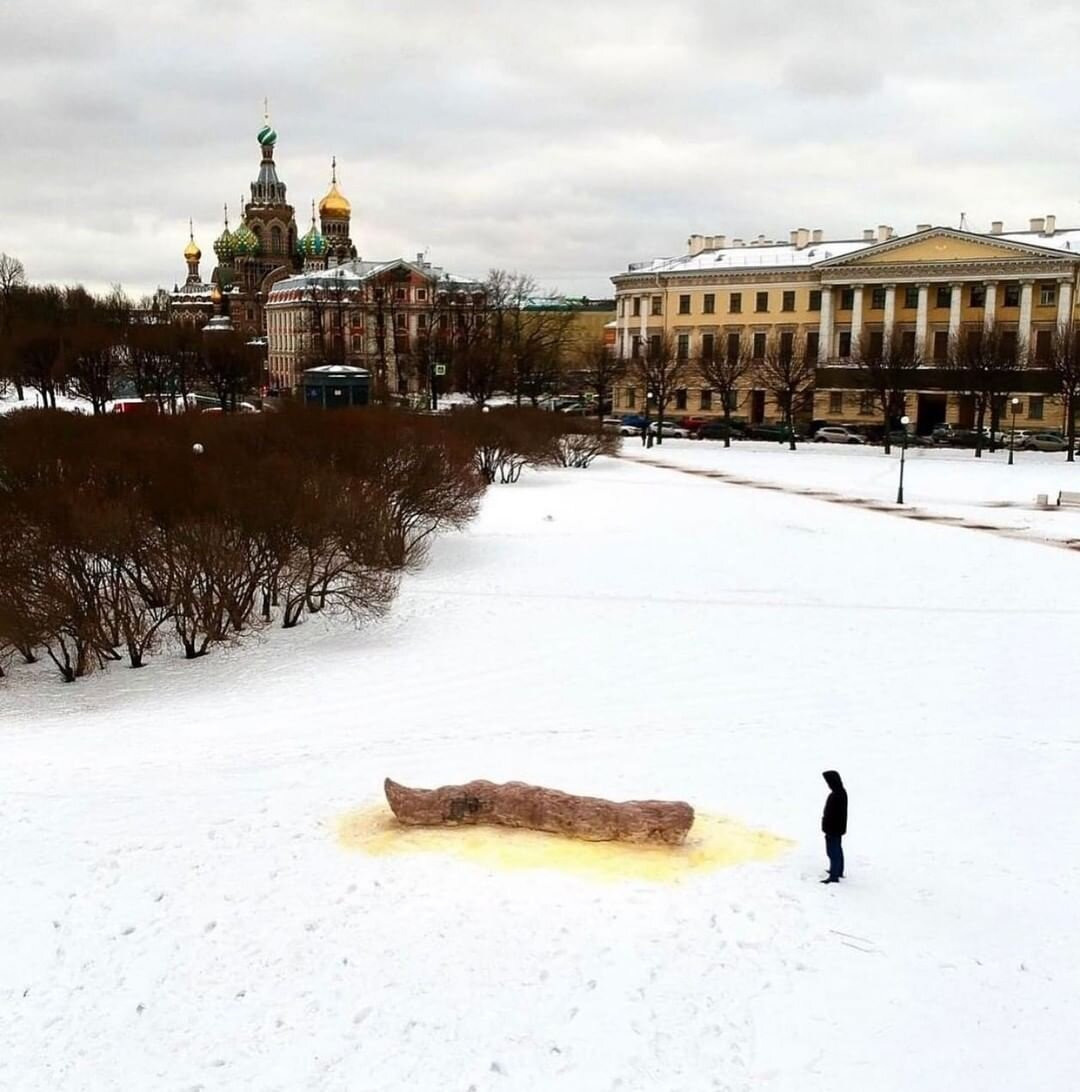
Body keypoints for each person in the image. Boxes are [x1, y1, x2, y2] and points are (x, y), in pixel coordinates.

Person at [820, 770, 847, 883]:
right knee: (837, 850)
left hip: (833, 829)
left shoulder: (836, 795)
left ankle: (834, 876)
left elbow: (833, 814)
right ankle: (837, 871)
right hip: (837, 828)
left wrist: (827, 826)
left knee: (833, 852)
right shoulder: (841, 792)